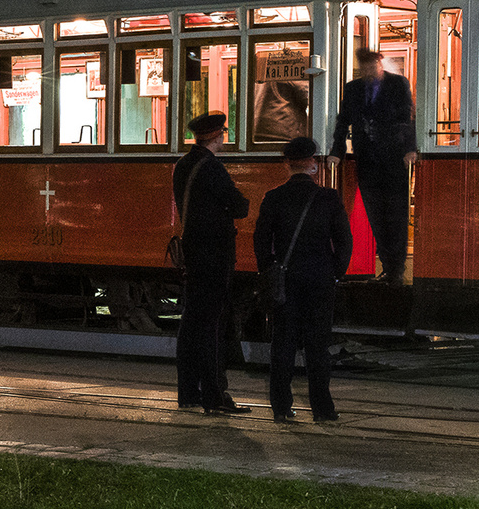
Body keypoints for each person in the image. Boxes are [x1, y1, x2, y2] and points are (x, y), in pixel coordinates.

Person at [254, 136, 352, 422]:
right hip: (320, 279)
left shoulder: (273, 198)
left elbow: (261, 240)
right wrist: (336, 271)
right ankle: (323, 409)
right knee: (318, 347)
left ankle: (281, 408)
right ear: (312, 163)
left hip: (285, 281)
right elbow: (344, 241)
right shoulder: (329, 198)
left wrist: (269, 270)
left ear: (287, 164)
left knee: (282, 344)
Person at [172, 111, 250, 415]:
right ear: (218, 136)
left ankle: (188, 392)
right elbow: (240, 206)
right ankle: (215, 396)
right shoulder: (212, 168)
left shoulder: (183, 165)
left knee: (191, 323)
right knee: (213, 326)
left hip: (192, 253)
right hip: (214, 256)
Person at [327, 48, 417, 284]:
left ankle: (395, 270)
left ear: (380, 64)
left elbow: (407, 118)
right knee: (376, 215)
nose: (366, 72)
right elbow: (342, 122)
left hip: (394, 160)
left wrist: (410, 149)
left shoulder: (398, 84)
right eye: (362, 68)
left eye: (370, 67)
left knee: (396, 216)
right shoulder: (353, 88)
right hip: (367, 160)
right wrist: (337, 152)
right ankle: (388, 268)